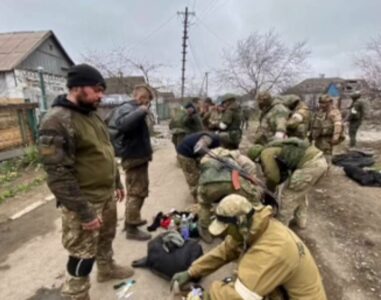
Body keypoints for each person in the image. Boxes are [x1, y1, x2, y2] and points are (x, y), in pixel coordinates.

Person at [39, 64, 133, 300]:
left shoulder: (92, 114)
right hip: (84, 201)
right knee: (82, 254)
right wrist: (85, 213)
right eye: (97, 89)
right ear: (77, 88)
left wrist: (117, 182)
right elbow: (58, 174)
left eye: (102, 90)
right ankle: (77, 294)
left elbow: (106, 152)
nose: (101, 95)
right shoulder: (57, 121)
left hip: (106, 195)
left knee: (106, 238)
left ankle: (107, 268)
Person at [171, 195, 327, 300]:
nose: (222, 235)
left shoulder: (272, 250)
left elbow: (238, 296)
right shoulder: (253, 227)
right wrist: (192, 271)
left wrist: (205, 295)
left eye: (225, 230)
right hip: (285, 289)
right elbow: (225, 250)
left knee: (238, 288)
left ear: (239, 224)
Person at [107, 84, 154, 241]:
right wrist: (142, 110)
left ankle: (131, 221)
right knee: (136, 192)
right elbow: (124, 125)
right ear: (141, 98)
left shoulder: (131, 108)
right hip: (134, 156)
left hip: (137, 156)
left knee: (139, 190)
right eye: (147, 101)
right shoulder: (130, 108)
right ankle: (132, 227)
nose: (148, 104)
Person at [248, 138, 327, 229]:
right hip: (319, 160)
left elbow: (273, 177)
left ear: (256, 157)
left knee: (288, 197)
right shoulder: (275, 147)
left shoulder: (265, 154)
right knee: (299, 193)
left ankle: (280, 229)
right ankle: (301, 221)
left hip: (310, 165)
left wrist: (268, 194)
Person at [196, 147, 262, 243]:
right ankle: (257, 220)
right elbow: (249, 167)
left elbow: (202, 174)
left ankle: (205, 230)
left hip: (208, 184)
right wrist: (252, 184)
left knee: (204, 206)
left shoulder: (205, 160)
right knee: (252, 197)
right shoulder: (235, 156)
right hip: (232, 181)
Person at [176, 132, 221, 202]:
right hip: (185, 154)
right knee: (193, 177)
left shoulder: (215, 139)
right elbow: (199, 148)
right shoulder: (209, 138)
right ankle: (197, 199)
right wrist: (213, 156)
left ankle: (202, 193)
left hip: (193, 153)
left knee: (202, 171)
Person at [310, 94, 344, 162]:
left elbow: (338, 125)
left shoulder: (334, 112)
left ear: (329, 102)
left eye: (324, 103)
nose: (322, 105)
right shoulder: (321, 112)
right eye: (321, 103)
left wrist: (335, 138)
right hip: (319, 138)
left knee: (326, 156)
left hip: (327, 138)